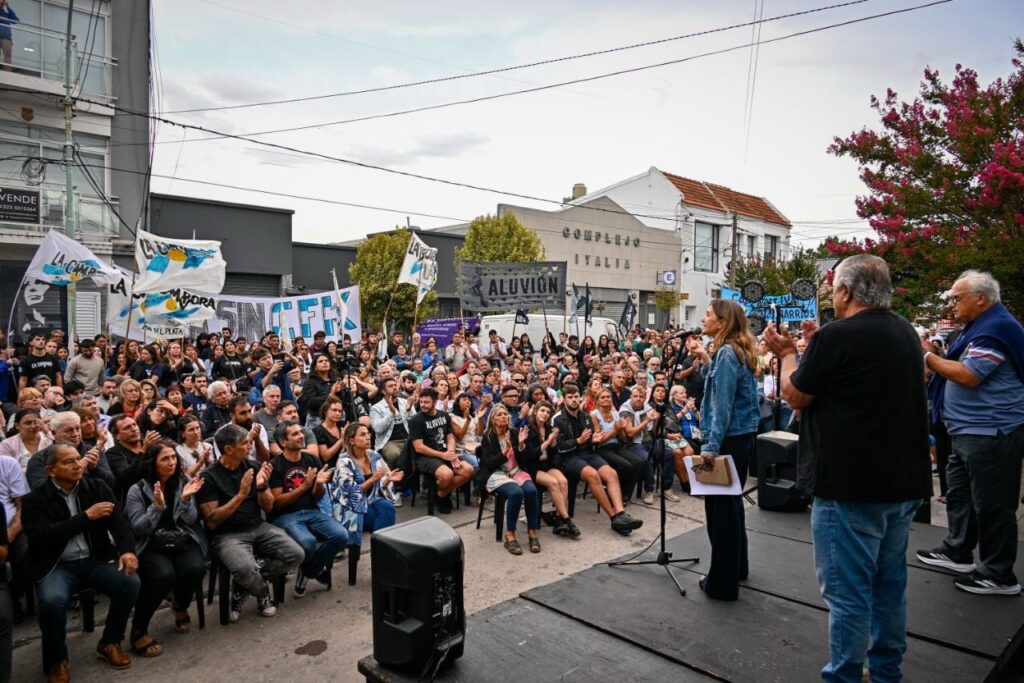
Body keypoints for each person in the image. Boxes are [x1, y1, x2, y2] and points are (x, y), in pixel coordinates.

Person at [765, 254, 931, 681]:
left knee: (848, 594)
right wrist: (816, 349)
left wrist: (789, 354)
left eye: (832, 288)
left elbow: (796, 395)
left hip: (850, 487)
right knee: (889, 586)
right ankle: (886, 672)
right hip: (902, 482)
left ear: (846, 291)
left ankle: (843, 676)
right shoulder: (905, 332)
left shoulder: (836, 337)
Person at [918, 270, 1024, 595]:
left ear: (981, 298)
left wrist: (928, 357)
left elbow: (969, 374)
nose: (952, 304)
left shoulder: (996, 328)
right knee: (960, 494)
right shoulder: (980, 326)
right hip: (968, 431)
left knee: (993, 504)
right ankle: (957, 550)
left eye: (957, 298)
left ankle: (998, 574)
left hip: (991, 431)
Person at [22, 442, 140, 681]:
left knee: (130, 582)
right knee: (52, 601)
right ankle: (57, 660)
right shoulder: (36, 499)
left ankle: (110, 642)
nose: (78, 465)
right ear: (50, 471)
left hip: (95, 559)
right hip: (56, 565)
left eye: (78, 459)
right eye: (69, 462)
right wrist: (85, 517)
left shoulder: (96, 487)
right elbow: (40, 537)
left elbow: (119, 522)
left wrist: (127, 551)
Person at [196, 424, 303, 622]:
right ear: (229, 449)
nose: (249, 446)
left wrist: (261, 487)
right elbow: (211, 521)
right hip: (227, 535)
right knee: (245, 569)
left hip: (258, 526)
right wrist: (241, 495)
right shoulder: (209, 477)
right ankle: (262, 592)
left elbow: (268, 507)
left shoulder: (253, 467)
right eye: (244, 443)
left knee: (296, 554)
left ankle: (243, 584)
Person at [695, 299, 760, 602]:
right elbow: (723, 385)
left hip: (727, 440)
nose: (703, 319)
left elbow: (722, 405)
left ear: (722, 322)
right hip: (741, 437)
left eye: (708, 314)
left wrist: (711, 445)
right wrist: (706, 360)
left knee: (720, 512)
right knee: (732, 508)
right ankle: (737, 568)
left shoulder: (726, 353)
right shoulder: (735, 351)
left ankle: (721, 583)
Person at [124, 440, 207, 655]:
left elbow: (190, 520)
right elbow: (139, 529)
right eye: (165, 459)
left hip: (181, 537)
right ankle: (139, 630)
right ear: (153, 463)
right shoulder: (137, 490)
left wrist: (185, 499)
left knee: (195, 568)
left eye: (173, 458)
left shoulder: (183, 481)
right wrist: (157, 507)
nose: (171, 462)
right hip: (152, 543)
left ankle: (180, 605)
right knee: (163, 575)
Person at [269, 420, 345, 598]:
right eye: (295, 434)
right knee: (308, 542)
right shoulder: (275, 465)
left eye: (301, 432)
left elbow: (317, 496)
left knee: (341, 536)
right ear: (283, 442)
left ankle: (308, 571)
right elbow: (276, 503)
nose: (301, 436)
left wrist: (318, 485)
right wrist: (303, 487)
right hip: (286, 516)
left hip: (311, 511)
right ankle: (315, 569)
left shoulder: (311, 460)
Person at [553, 383, 642, 535]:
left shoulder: (585, 416)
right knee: (593, 475)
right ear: (565, 399)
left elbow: (590, 440)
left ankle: (621, 513)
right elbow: (558, 447)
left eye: (576, 396)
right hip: (568, 457)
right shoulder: (558, 419)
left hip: (587, 453)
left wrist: (593, 440)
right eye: (570, 397)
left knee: (611, 473)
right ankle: (614, 517)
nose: (573, 400)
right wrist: (578, 441)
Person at [480, 404, 541, 555]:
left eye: (505, 414)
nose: (504, 417)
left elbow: (525, 459)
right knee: (516, 493)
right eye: (499, 414)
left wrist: (521, 445)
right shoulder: (488, 437)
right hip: (496, 474)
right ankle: (510, 534)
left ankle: (532, 531)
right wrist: (506, 450)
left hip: (515, 471)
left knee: (531, 490)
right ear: (493, 419)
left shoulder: (514, 433)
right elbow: (489, 463)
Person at [330, 423, 401, 546]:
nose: (368, 437)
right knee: (378, 518)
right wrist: (373, 479)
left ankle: (381, 549)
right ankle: (382, 549)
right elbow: (350, 493)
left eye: (368, 434)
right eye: (362, 435)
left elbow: (382, 486)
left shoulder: (374, 456)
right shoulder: (344, 462)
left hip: (371, 499)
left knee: (387, 507)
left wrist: (388, 480)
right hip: (350, 506)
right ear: (352, 441)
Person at [408, 387, 473, 514]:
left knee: (468, 470)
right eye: (421, 402)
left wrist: (451, 453)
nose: (423, 405)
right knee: (447, 475)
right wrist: (443, 455)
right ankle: (442, 497)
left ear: (434, 402)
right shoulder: (416, 420)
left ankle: (441, 494)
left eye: (426, 402)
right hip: (425, 457)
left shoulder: (444, 415)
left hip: (445, 452)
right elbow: (418, 447)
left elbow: (450, 437)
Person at [523, 400, 579, 537]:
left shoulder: (549, 428)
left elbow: (554, 454)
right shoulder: (528, 429)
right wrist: (547, 442)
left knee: (563, 482)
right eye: (542, 410)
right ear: (535, 412)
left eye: (548, 412)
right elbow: (530, 455)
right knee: (553, 483)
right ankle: (567, 520)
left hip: (546, 465)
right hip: (532, 467)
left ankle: (559, 520)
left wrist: (553, 444)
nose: (545, 414)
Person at [369, 377, 413, 469]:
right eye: (390, 386)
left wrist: (409, 411)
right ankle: (393, 476)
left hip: (407, 439)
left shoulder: (406, 402)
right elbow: (378, 429)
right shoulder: (376, 408)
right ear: (383, 391)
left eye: (395, 385)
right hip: (389, 442)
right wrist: (391, 413)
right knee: (395, 455)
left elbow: (415, 423)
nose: (394, 387)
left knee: (419, 452)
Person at [0, 0, 19, 73]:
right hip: (5, 36)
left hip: (6, 37)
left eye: (2, 3)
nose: (1, 5)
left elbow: (15, 20)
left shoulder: (6, 14)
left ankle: (7, 72)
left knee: (7, 55)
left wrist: (8, 7)